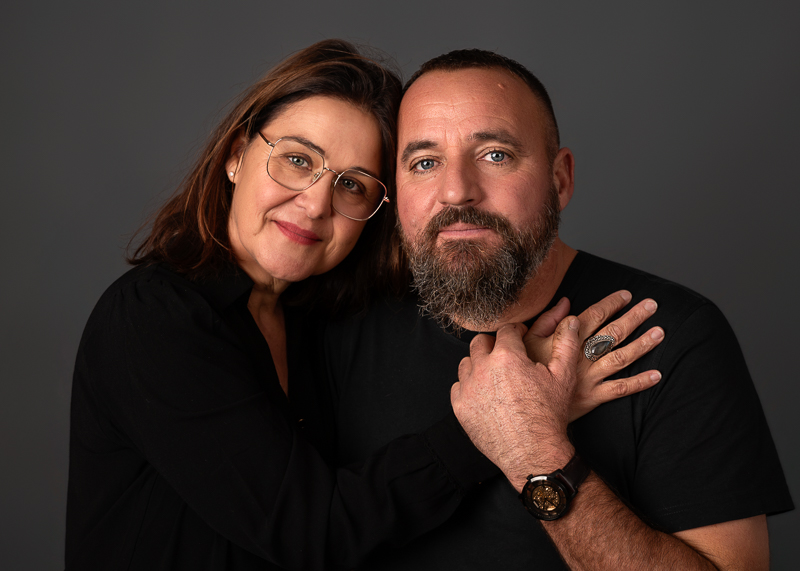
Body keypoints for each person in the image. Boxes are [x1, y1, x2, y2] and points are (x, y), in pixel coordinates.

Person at [65, 40, 660, 571]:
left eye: (352, 183)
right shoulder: (152, 319)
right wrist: (504, 422)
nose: (316, 203)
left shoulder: (319, 322)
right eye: (297, 159)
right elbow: (311, 533)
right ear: (237, 155)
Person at [321, 49, 794, 570]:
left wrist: (533, 450)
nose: (456, 190)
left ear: (560, 179)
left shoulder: (671, 335)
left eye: (495, 155)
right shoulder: (340, 330)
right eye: (424, 163)